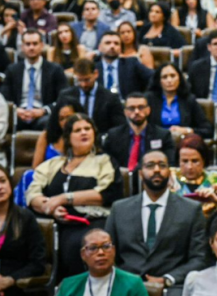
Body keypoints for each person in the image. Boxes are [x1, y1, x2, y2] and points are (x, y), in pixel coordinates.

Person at [27, 114, 124, 278]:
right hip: (55, 221)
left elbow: (106, 193)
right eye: (78, 130)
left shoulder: (103, 161)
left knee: (77, 245)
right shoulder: (53, 164)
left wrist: (65, 198)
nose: (84, 133)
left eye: (87, 129)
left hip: (91, 221)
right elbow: (32, 194)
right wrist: (50, 208)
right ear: (68, 137)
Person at [106, 151, 208, 289]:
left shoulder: (191, 210)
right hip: (126, 286)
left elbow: (199, 258)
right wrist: (124, 280)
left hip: (172, 287)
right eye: (150, 165)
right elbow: (107, 252)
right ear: (141, 174)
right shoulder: (119, 209)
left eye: (162, 165)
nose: (157, 170)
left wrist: (168, 279)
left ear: (170, 173)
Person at [14, 99, 83, 207]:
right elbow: (36, 167)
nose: (65, 122)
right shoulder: (47, 136)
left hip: (74, 179)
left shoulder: (84, 137)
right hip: (46, 179)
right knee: (29, 175)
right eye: (61, 119)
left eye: (69, 117)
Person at [2, 29, 67, 130]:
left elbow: (63, 98)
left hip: (44, 115)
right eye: (27, 44)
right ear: (22, 47)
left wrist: (43, 110)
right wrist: (16, 110)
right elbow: (4, 97)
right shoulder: (12, 70)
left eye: (35, 44)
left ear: (42, 45)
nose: (31, 47)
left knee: (49, 122)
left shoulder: (55, 70)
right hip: (18, 114)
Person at [57, 228, 148, 296]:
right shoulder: (68, 285)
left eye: (106, 247)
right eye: (93, 248)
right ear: (83, 254)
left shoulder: (133, 284)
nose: (101, 252)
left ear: (113, 250)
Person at [0, 165, 46, 296]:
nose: (0, 187)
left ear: (10, 183)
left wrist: (10, 280)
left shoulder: (25, 218)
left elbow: (38, 263)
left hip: (17, 285)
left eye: (3, 181)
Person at [169, 133, 217, 215]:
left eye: (195, 161)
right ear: (178, 161)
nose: (189, 167)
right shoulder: (169, 177)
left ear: (204, 160)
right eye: (185, 161)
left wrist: (216, 200)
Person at [103, 92, 175, 170]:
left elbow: (169, 164)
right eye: (132, 108)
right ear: (125, 112)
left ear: (148, 110)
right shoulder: (114, 135)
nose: (136, 112)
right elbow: (106, 163)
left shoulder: (162, 135)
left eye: (141, 107)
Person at [58, 58, 125, 134]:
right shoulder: (66, 95)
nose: (83, 84)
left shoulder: (111, 98)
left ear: (96, 74)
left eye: (87, 80)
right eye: (79, 80)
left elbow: (119, 127)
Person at [146, 62, 213, 139]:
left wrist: (186, 130)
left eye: (173, 76)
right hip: (156, 141)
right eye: (164, 77)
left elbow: (207, 130)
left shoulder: (189, 100)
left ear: (180, 78)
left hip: (184, 142)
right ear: (159, 81)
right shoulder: (149, 99)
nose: (169, 80)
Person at [96, 32, 153, 98]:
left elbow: (153, 77)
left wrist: (144, 97)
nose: (112, 46)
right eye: (108, 43)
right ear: (99, 47)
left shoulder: (132, 64)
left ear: (120, 49)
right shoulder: (93, 68)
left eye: (116, 43)